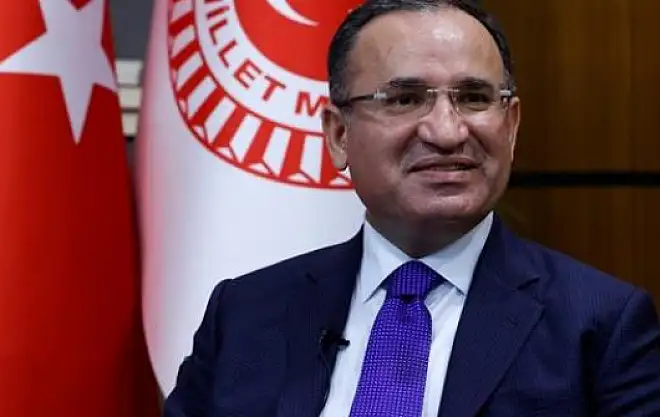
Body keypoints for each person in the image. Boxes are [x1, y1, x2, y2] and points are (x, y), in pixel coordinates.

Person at [162, 0, 660, 415]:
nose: (447, 132)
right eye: (404, 99)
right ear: (338, 135)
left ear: (510, 126)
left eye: (473, 97)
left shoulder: (601, 326)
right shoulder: (245, 314)